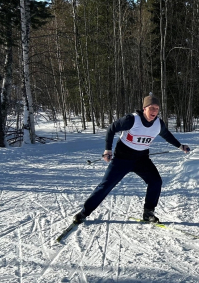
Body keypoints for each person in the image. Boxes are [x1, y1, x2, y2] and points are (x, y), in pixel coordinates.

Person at [73, 94, 190, 225]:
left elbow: (167, 135)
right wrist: (108, 149)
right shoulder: (132, 120)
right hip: (122, 158)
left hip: (141, 159)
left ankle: (148, 212)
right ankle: (84, 212)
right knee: (106, 185)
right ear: (144, 108)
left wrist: (180, 146)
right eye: (151, 108)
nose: (154, 112)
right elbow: (112, 129)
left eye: (157, 109)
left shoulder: (158, 124)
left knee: (156, 181)